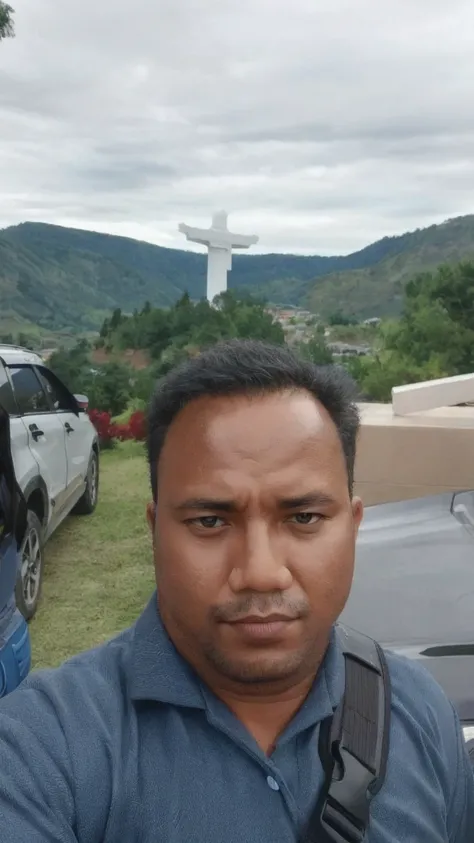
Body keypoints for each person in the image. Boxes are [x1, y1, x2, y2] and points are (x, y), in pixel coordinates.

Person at [0, 339, 472, 842]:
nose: (261, 572)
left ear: (353, 526)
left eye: (304, 517)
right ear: (155, 530)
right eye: (210, 520)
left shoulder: (420, 711)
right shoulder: (41, 751)